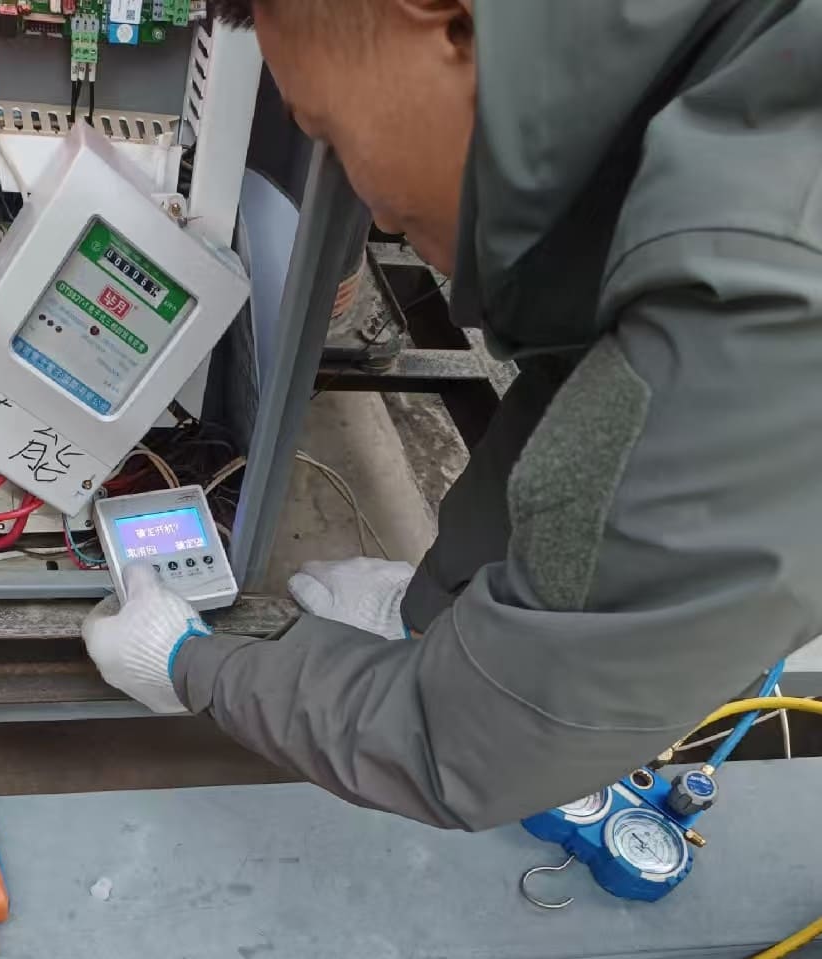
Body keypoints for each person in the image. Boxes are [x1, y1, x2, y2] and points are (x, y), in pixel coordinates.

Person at [83, 0, 822, 829]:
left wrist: (193, 665)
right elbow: (580, 394)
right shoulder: (682, 92)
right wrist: (428, 611)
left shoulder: (760, 292)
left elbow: (477, 742)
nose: (373, 212)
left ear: (442, 18)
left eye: (331, 132)